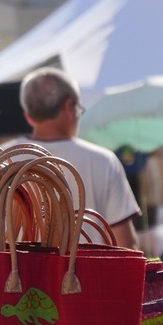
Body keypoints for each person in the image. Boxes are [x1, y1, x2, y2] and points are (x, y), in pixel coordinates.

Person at [12, 67, 141, 250]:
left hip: (12, 277)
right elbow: (126, 246)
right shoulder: (103, 161)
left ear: (28, 116)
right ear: (68, 107)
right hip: (88, 278)